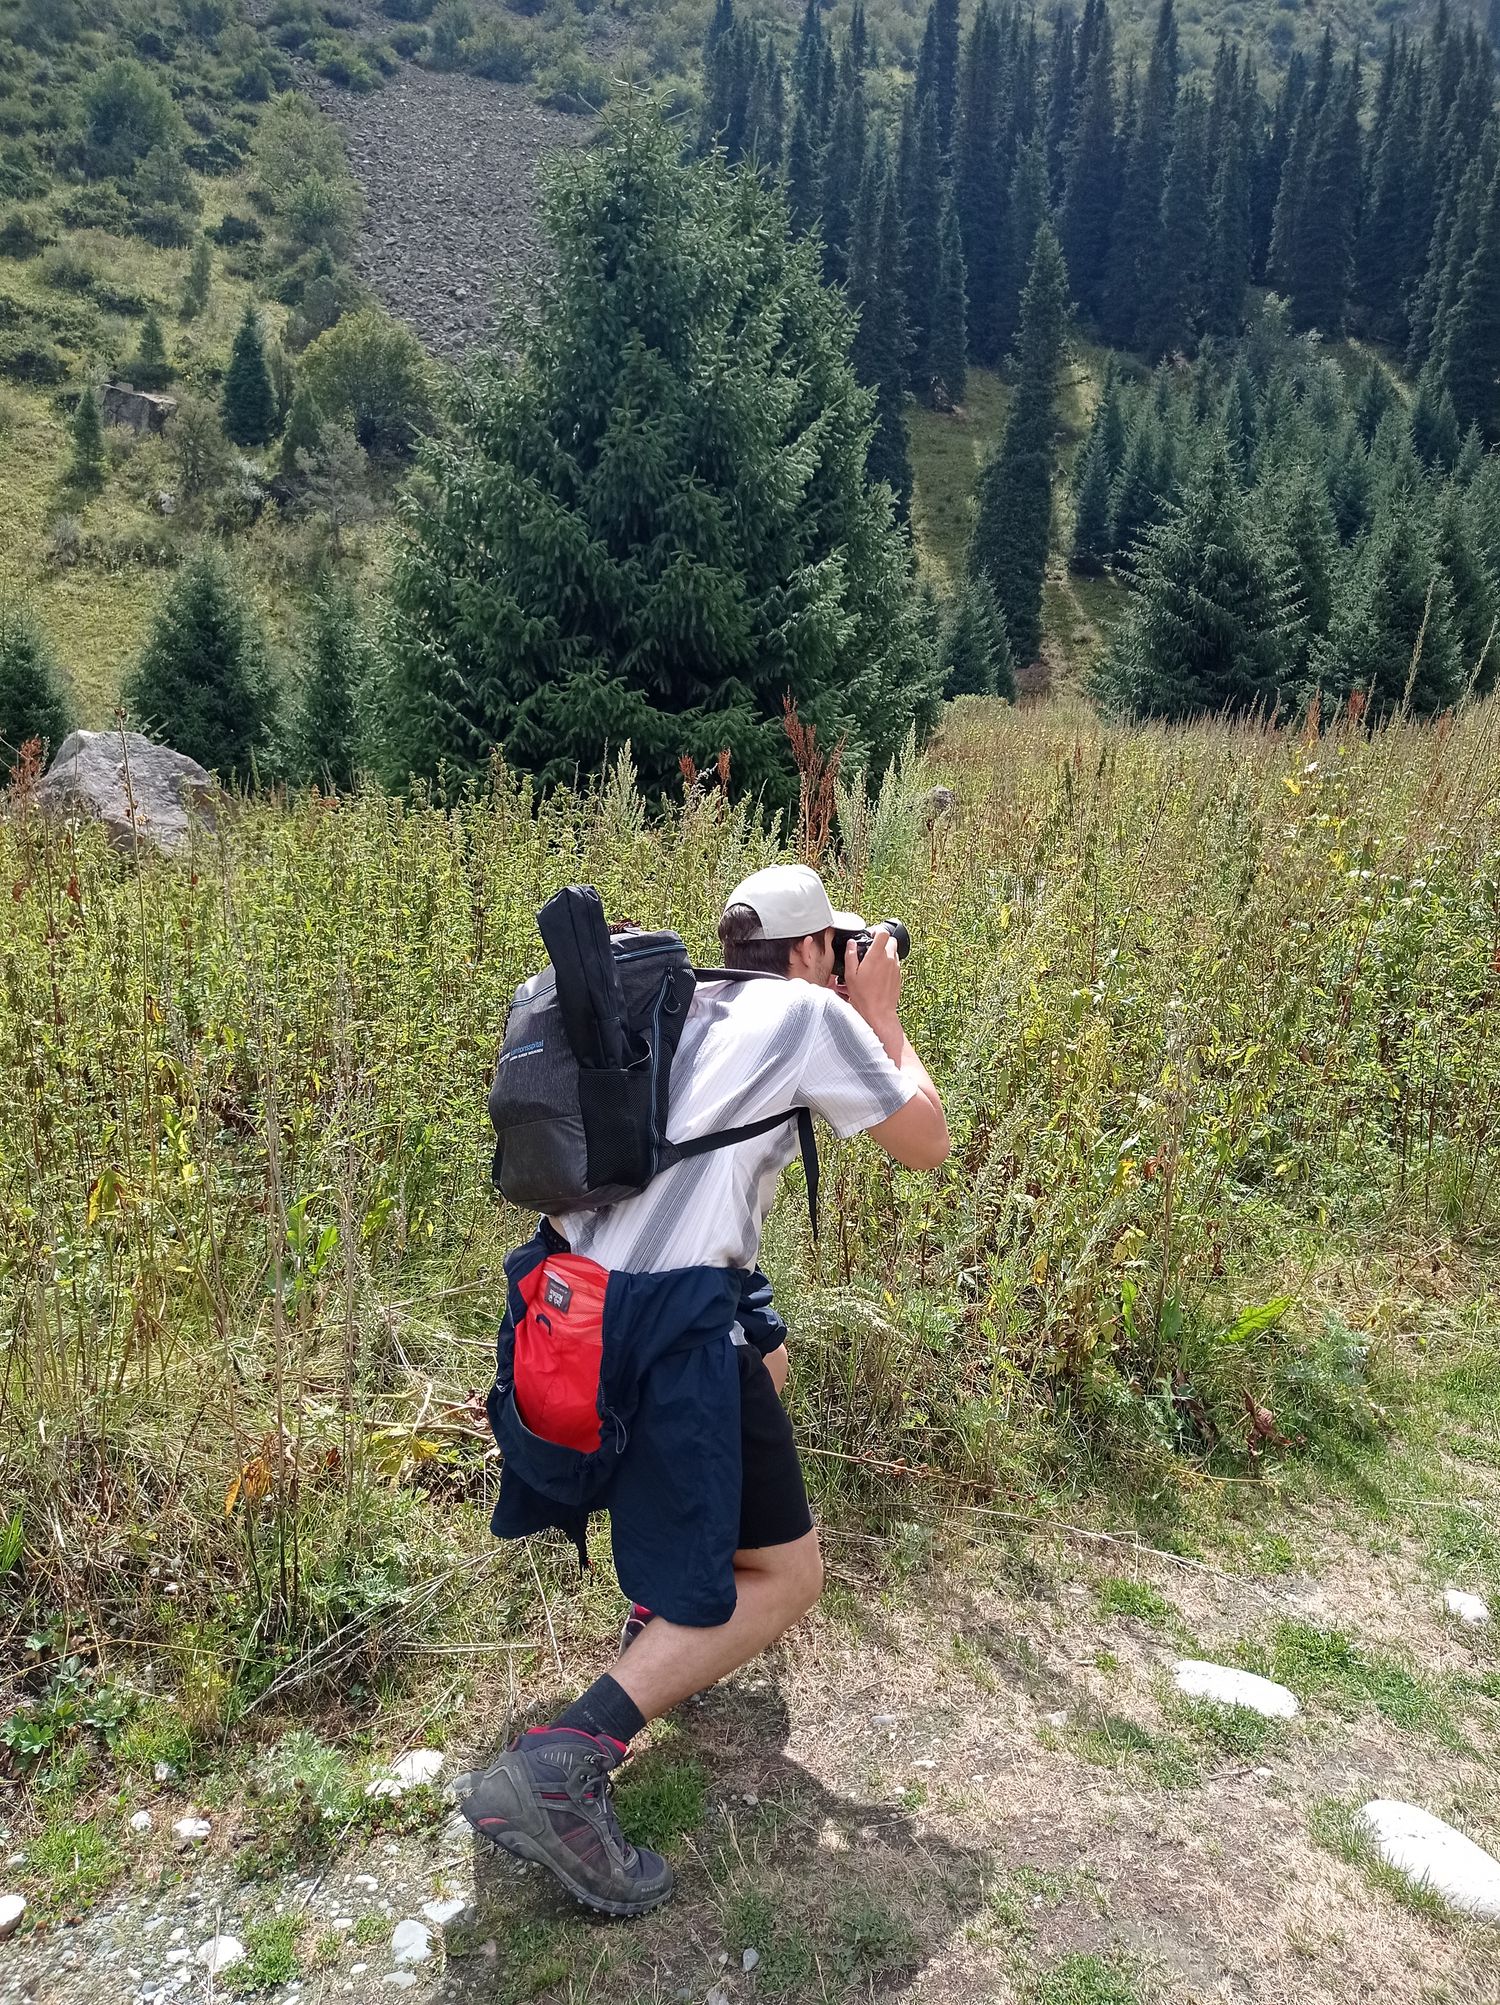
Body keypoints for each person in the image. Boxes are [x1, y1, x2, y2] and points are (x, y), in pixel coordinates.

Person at [455, 863, 949, 1915]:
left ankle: (660, 1613)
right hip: (669, 1330)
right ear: (812, 950)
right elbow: (926, 1140)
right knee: (790, 1577)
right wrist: (882, 1013)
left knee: (765, 1356)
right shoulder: (808, 1017)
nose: (847, 964)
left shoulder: (683, 1006)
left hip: (566, 1308)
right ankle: (564, 1763)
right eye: (839, 948)